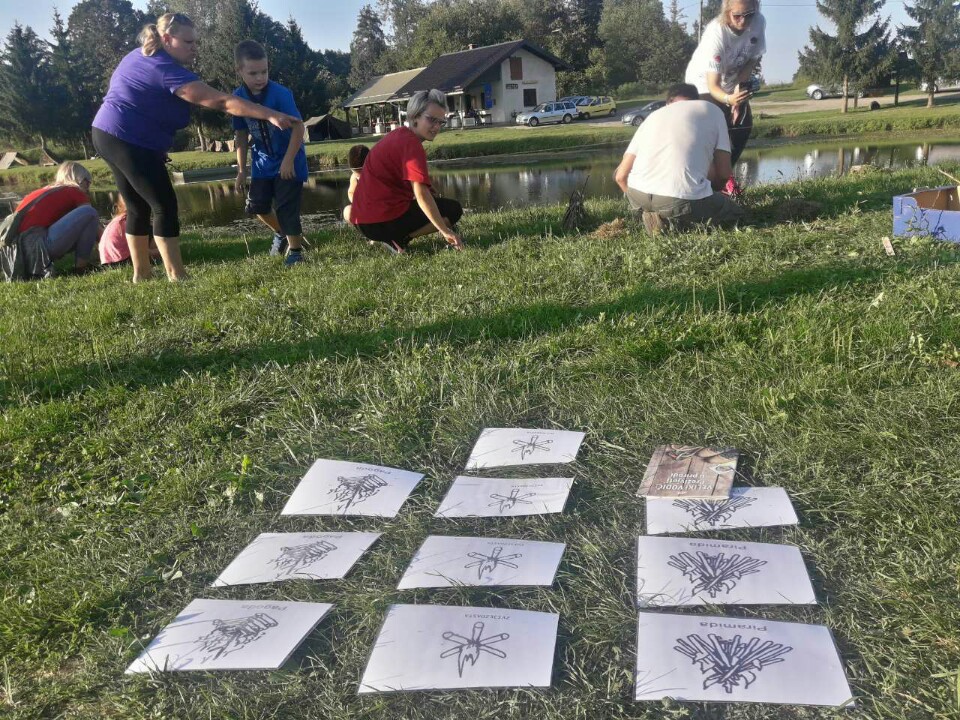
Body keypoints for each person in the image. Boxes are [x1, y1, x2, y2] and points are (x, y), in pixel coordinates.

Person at [91, 13, 299, 282]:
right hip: (128, 139)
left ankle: (141, 274)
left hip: (104, 133)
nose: (194, 48)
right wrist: (269, 114)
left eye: (195, 42)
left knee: (137, 206)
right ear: (167, 39)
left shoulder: (138, 55)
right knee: (164, 205)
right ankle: (176, 274)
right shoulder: (165, 69)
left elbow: (132, 96)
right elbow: (222, 102)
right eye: (188, 42)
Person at [613, 83, 744, 235]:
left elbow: (620, 176)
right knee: (735, 214)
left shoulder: (653, 116)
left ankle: (655, 215)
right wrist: (711, 193)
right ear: (696, 99)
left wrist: (639, 206)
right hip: (678, 199)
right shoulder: (713, 110)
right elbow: (723, 173)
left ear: (668, 102)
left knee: (670, 205)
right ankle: (676, 221)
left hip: (638, 196)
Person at [349, 89, 463, 254]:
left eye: (441, 122)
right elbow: (421, 195)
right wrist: (445, 231)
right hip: (379, 222)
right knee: (453, 210)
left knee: (438, 205)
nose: (436, 127)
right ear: (415, 116)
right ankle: (400, 239)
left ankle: (395, 237)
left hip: (363, 220)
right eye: (431, 120)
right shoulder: (412, 145)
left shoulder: (399, 135)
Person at [232, 39, 308, 266]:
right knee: (256, 206)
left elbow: (299, 128)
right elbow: (241, 136)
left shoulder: (281, 94)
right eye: (253, 73)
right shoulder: (237, 98)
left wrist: (288, 161)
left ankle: (296, 252)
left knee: (286, 207)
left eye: (264, 71)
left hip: (289, 160)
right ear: (239, 70)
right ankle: (281, 233)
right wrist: (241, 170)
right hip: (262, 164)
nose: (260, 78)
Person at [684, 0, 766, 197]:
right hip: (703, 84)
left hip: (731, 83)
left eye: (749, 15)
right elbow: (713, 86)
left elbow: (752, 59)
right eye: (737, 16)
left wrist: (739, 90)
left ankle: (724, 177)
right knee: (717, 129)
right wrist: (729, 100)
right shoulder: (716, 33)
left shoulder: (758, 22)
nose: (743, 21)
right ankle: (707, 184)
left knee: (743, 126)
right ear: (727, 12)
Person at [13, 162, 100, 274]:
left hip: (20, 250)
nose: (89, 184)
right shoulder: (74, 191)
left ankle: (83, 265)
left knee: (86, 221)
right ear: (77, 179)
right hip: (38, 244)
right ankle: (81, 268)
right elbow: (96, 226)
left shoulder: (47, 191)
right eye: (86, 179)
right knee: (90, 212)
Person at [99, 195, 161, 267]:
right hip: (123, 261)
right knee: (152, 231)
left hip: (107, 262)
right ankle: (155, 259)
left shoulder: (117, 220)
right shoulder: (132, 222)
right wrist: (162, 251)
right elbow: (142, 251)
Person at [341, 144, 370, 225]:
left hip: (382, 210)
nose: (359, 178)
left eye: (362, 174)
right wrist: (357, 203)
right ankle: (365, 227)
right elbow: (351, 192)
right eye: (357, 175)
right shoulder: (354, 177)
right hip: (365, 210)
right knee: (347, 211)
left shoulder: (379, 172)